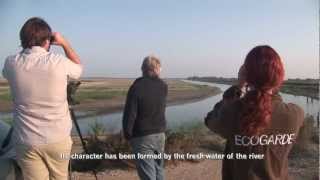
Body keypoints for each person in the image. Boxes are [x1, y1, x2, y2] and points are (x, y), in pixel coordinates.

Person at [205, 45, 304, 180]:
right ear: (280, 76)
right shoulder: (295, 114)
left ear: (246, 75)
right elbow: (273, 103)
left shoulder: (233, 111)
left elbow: (210, 119)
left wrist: (238, 87)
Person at [2, 17, 83, 180]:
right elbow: (79, 68)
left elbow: (8, 71)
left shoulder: (11, 63)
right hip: (57, 137)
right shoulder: (58, 62)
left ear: (22, 40)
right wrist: (64, 43)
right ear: (48, 40)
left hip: (26, 140)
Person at [122, 55, 168, 180]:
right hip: (160, 134)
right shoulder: (163, 86)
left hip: (142, 137)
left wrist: (127, 134)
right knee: (159, 170)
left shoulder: (136, 87)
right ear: (157, 69)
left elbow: (130, 113)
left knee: (148, 175)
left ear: (143, 69)